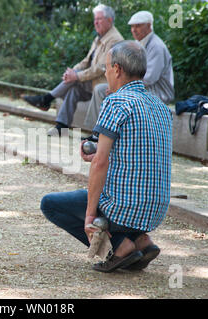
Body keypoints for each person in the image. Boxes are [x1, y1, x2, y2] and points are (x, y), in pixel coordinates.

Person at [40, 40, 173, 273]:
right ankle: (142, 240)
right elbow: (137, 154)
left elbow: (101, 163)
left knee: (50, 205)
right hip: (156, 210)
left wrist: (90, 217)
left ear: (118, 70)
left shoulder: (116, 101)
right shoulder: (161, 107)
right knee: (121, 196)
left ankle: (120, 246)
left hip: (125, 207)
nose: (106, 73)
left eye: (107, 68)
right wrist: (100, 154)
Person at [22, 4, 123, 136]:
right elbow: (86, 61)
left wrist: (77, 76)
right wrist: (72, 72)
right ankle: (61, 126)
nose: (96, 22)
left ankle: (46, 99)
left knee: (75, 82)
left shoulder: (114, 39)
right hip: (93, 82)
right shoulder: (99, 37)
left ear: (109, 20)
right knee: (74, 89)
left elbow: (101, 68)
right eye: (95, 19)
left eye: (99, 19)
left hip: (106, 84)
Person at [82, 10, 174, 140]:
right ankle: (97, 133)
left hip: (156, 93)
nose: (133, 30)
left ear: (148, 26)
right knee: (100, 89)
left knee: (109, 93)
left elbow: (148, 78)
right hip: (137, 89)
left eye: (138, 26)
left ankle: (105, 137)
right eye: (132, 26)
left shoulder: (156, 46)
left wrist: (119, 88)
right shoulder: (137, 44)